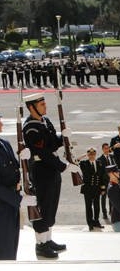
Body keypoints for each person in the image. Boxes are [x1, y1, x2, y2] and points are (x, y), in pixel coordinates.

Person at [22, 93, 80, 259]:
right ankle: (40, 245)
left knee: (51, 206)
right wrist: (64, 166)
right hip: (41, 170)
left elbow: (52, 143)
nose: (45, 107)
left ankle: (48, 240)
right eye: (41, 105)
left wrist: (63, 138)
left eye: (44, 104)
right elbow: (43, 153)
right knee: (42, 207)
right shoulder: (31, 128)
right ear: (31, 108)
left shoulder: (45, 122)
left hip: (52, 169)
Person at [0, 114, 21, 260]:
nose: (1, 123)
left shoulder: (5, 143)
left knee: (11, 251)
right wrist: (17, 199)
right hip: (3, 206)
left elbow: (15, 171)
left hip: (11, 207)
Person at [78, 147, 107, 231]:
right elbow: (75, 161)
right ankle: (90, 223)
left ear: (95, 155)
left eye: (93, 154)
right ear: (88, 155)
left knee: (97, 206)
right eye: (90, 154)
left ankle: (96, 221)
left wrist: (103, 189)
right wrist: (83, 155)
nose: (92, 156)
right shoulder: (84, 163)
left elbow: (103, 177)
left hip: (97, 189)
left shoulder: (99, 163)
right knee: (88, 207)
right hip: (87, 189)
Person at [105, 165, 120, 232]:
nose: (118, 173)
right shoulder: (112, 188)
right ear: (110, 174)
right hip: (119, 219)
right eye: (116, 172)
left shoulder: (117, 183)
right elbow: (117, 205)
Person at [97, 143, 115, 220]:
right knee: (103, 198)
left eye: (108, 148)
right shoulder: (99, 160)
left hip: (112, 181)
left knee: (112, 197)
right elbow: (99, 174)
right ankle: (104, 213)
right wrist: (101, 185)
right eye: (105, 148)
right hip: (104, 182)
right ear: (103, 149)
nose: (107, 150)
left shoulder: (112, 157)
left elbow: (114, 167)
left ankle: (111, 211)